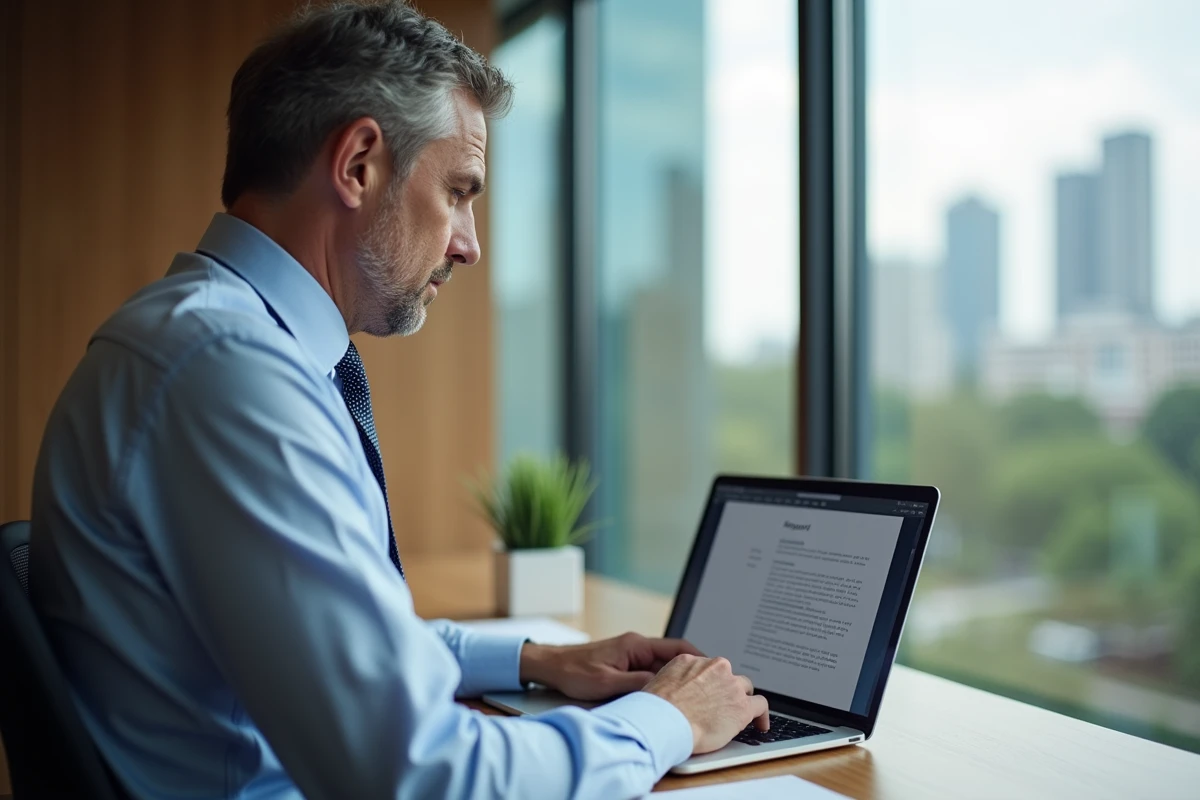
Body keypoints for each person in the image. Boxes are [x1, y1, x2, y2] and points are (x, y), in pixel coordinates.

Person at [28, 2, 769, 798]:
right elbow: (423, 774)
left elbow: (334, 648)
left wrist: (534, 661)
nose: (470, 243)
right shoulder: (228, 373)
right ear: (357, 165)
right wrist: (670, 722)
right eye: (458, 190)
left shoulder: (218, 345)